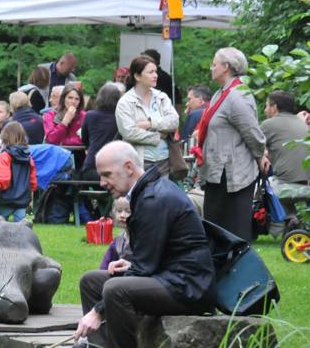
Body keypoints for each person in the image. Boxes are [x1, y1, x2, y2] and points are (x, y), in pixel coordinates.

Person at [75, 141, 215, 348]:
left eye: (107, 175)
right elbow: (150, 257)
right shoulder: (146, 192)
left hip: (188, 287)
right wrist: (130, 265)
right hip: (167, 275)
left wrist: (97, 311)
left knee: (115, 290)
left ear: (128, 167)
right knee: (92, 280)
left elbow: (146, 267)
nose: (103, 183)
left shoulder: (154, 198)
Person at [193, 47, 265, 242]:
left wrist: (260, 155)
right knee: (216, 227)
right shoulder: (221, 93)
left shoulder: (237, 95)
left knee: (233, 230)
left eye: (214, 64)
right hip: (219, 171)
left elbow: (252, 131)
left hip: (233, 174)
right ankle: (219, 268)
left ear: (226, 67)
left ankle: (238, 270)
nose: (211, 68)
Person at [115, 55, 179, 175]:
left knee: (163, 194)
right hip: (139, 162)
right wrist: (158, 136)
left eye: (155, 71)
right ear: (137, 76)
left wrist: (150, 123)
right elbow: (129, 133)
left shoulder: (161, 97)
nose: (156, 75)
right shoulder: (125, 102)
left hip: (164, 160)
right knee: (143, 194)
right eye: (151, 72)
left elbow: (174, 121)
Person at [260, 91, 310, 217]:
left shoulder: (269, 124)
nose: (265, 110)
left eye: (267, 106)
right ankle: (292, 222)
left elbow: (254, 147)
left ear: (274, 107)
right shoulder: (302, 124)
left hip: (285, 185)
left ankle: (277, 225)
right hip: (306, 183)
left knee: (258, 189)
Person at [0, 122, 37, 222]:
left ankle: (0, 237)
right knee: (21, 226)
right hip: (22, 198)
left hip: (7, 197)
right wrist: (32, 190)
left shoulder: (5, 155)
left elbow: (3, 177)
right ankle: (23, 237)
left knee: (0, 223)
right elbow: (32, 178)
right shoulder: (28, 157)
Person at [80, 83, 121, 181]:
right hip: (114, 169)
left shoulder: (90, 115)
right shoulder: (120, 118)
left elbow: (84, 139)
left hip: (91, 166)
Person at [99, 196, 132, 270]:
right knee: (90, 276)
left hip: (137, 277)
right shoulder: (118, 240)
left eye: (128, 211)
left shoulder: (143, 239)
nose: (122, 215)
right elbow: (104, 266)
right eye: (119, 211)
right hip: (119, 275)